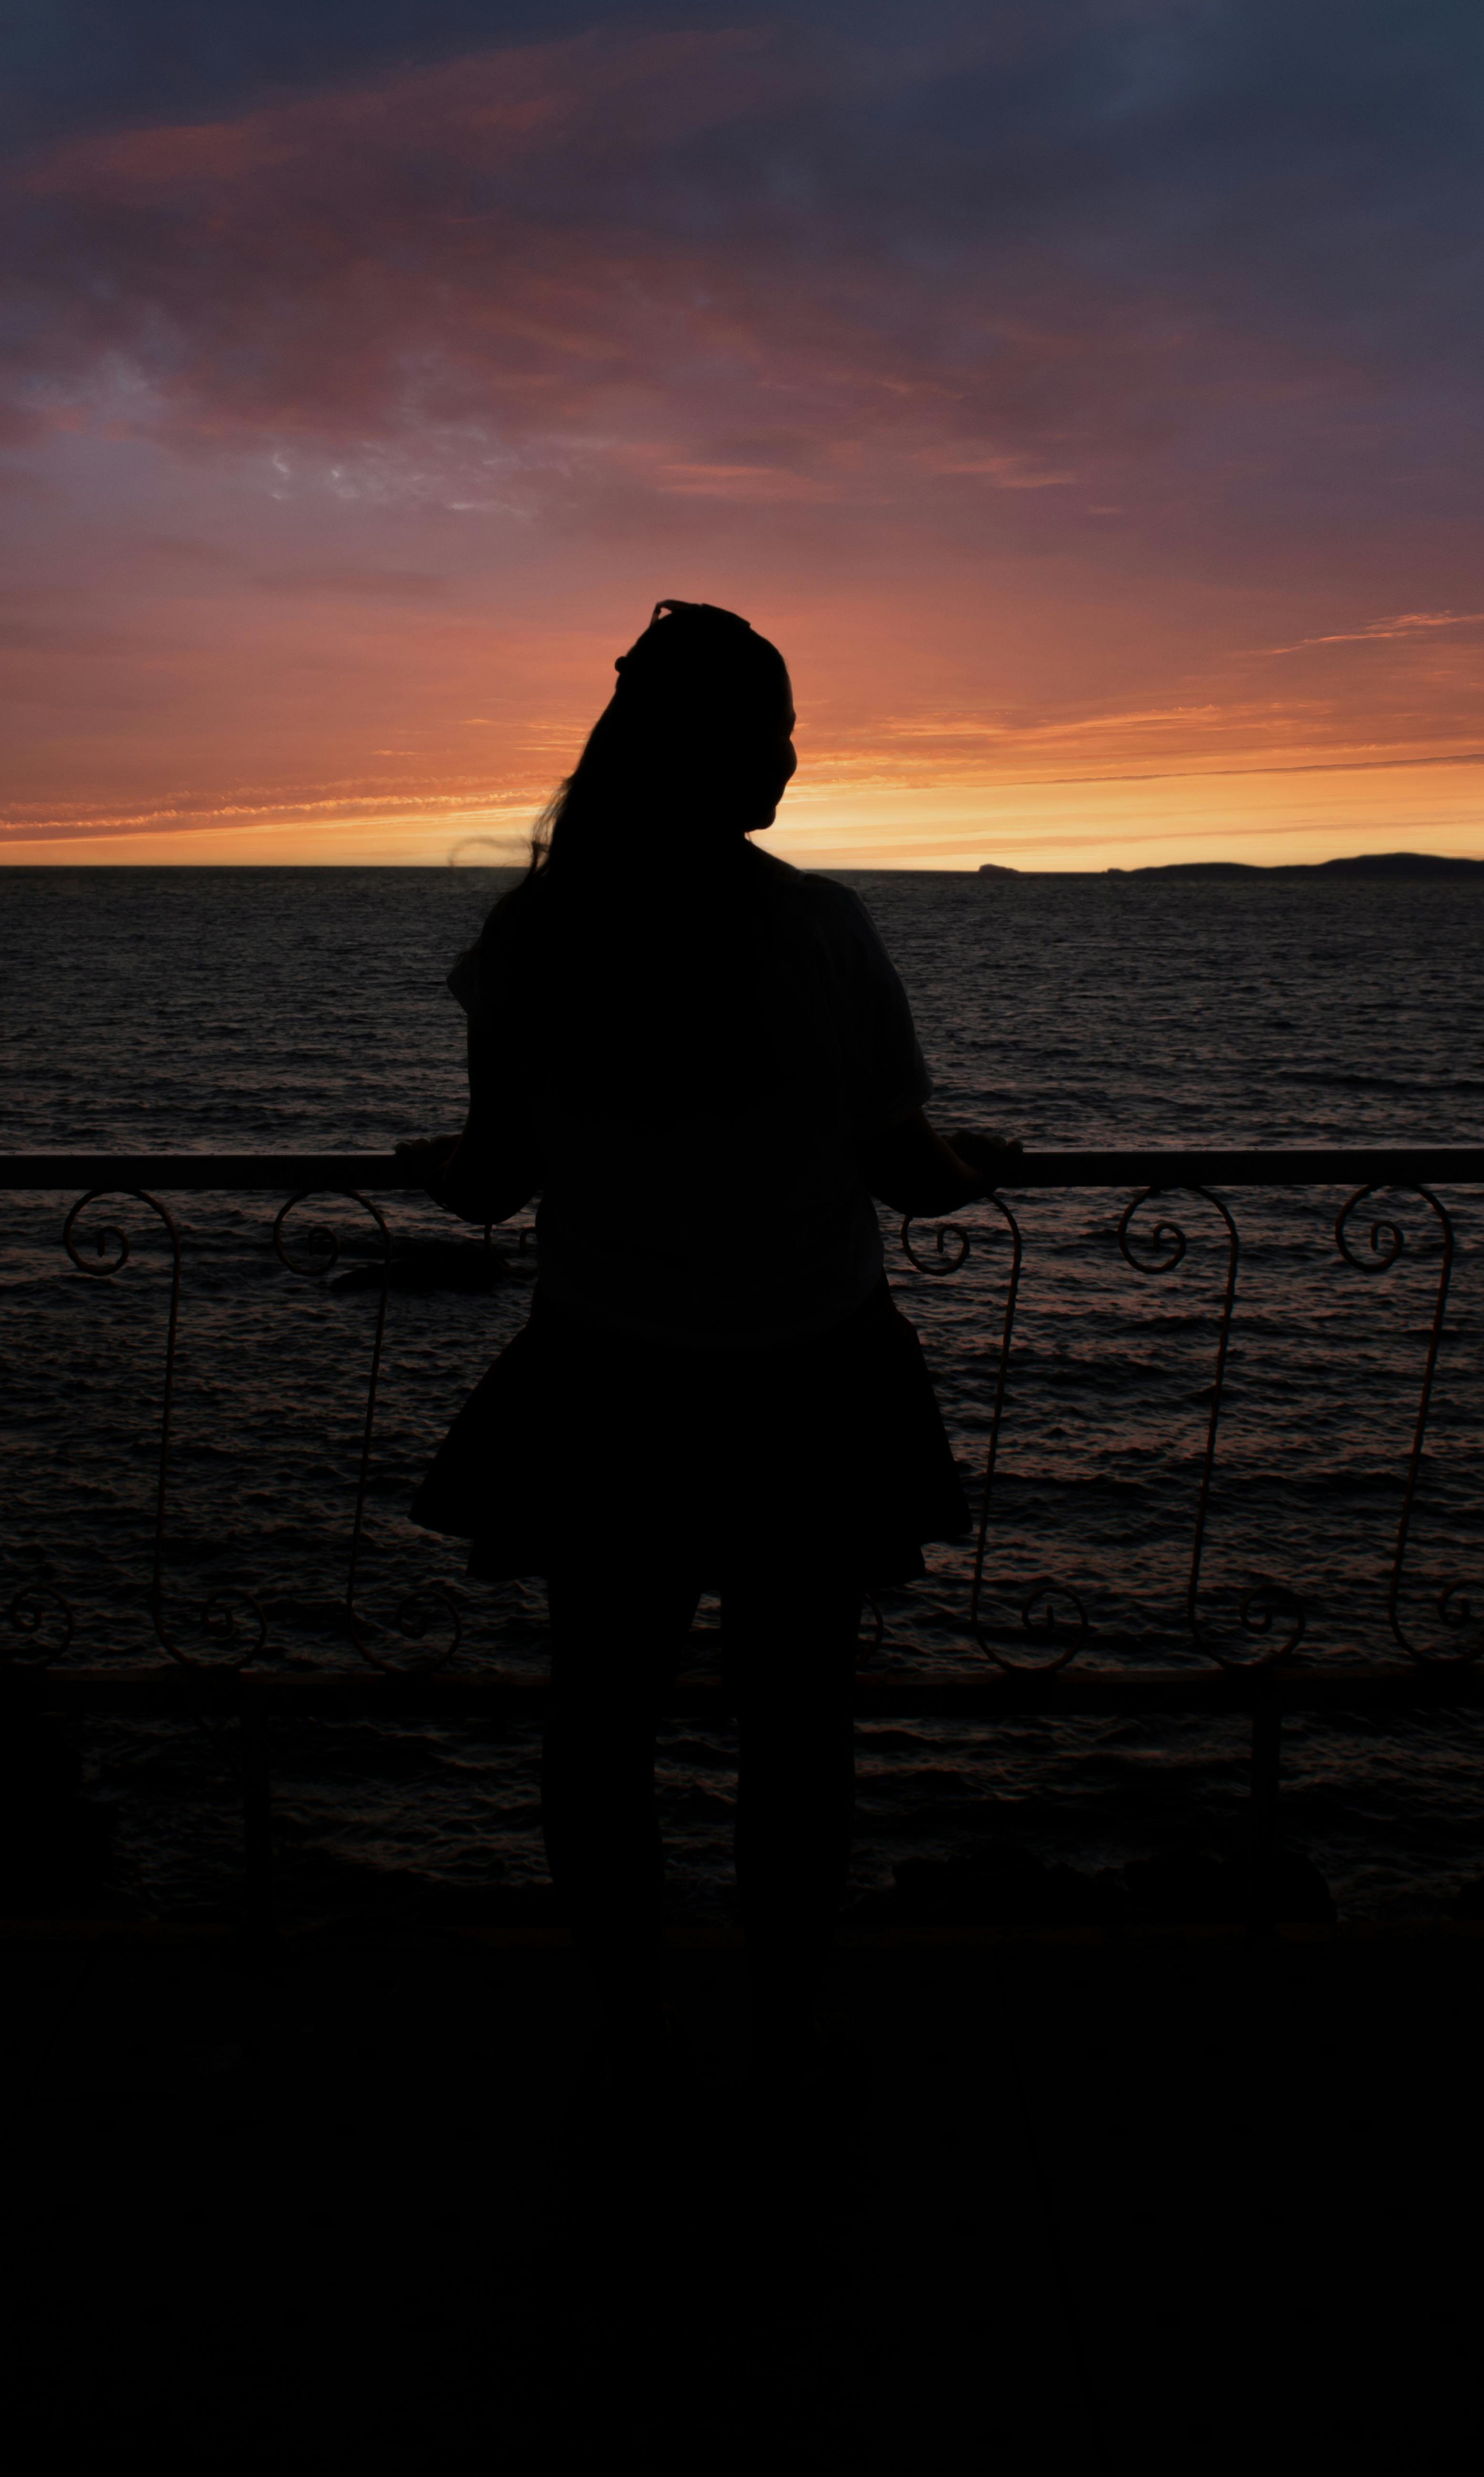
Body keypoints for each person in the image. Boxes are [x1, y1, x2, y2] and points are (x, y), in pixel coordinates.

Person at [400, 600, 1017, 2074]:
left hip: (611, 1378)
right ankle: (784, 2021)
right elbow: (907, 1173)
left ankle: (627, 2016)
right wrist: (981, 1159)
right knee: (795, 1735)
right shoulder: (813, 928)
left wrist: (423, 1161)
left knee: (599, 1727)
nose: (790, 758)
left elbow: (494, 1187)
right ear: (705, 749)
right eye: (769, 727)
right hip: (810, 1381)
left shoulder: (536, 938)